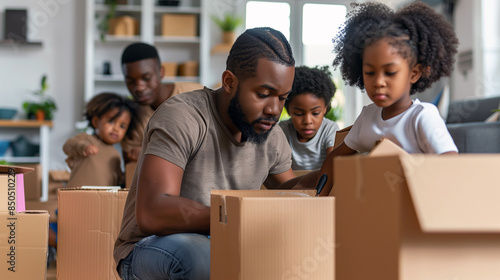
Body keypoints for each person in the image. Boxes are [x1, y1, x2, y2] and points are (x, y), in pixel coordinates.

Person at [114, 27, 318, 280]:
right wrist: (237, 215)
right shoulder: (183, 116)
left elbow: (288, 191)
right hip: (150, 248)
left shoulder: (270, 134)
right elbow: (153, 212)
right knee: (200, 256)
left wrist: (330, 172)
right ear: (230, 82)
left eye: (283, 98)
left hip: (223, 242)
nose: (274, 109)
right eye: (263, 94)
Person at [316, 1, 459, 196]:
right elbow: (335, 158)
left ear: (414, 74)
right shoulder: (367, 118)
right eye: (370, 72)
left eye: (390, 72)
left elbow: (450, 162)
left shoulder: (421, 117)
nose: (378, 82)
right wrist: (319, 200)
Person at [120, 42, 203, 163]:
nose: (139, 87)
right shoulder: (131, 115)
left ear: (161, 72)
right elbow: (129, 165)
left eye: (146, 78)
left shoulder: (195, 93)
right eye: (131, 81)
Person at [63, 92, 138, 188]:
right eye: (111, 122)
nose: (116, 129)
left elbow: (117, 180)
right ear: (95, 122)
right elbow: (68, 145)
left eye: (122, 126)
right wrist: (83, 147)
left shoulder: (116, 155)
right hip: (75, 196)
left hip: (102, 200)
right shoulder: (86, 139)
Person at [279, 65, 339, 170]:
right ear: (288, 110)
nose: (307, 121)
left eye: (315, 113)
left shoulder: (329, 129)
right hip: (292, 185)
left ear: (325, 109)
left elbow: (334, 165)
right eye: (298, 114)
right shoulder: (283, 131)